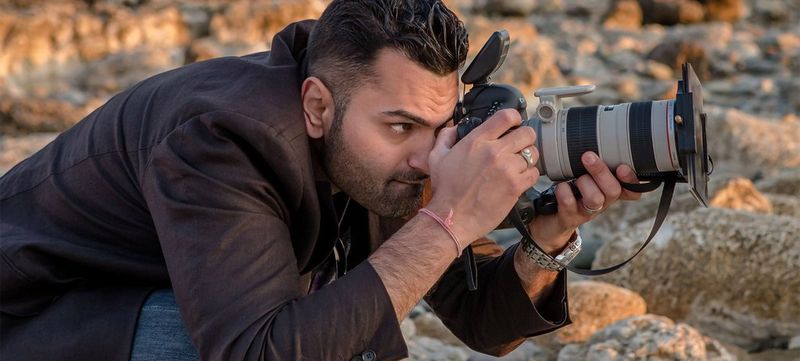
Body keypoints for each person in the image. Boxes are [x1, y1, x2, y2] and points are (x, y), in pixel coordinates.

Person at [0, 1, 641, 360]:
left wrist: (544, 240)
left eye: (439, 126)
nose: (427, 158)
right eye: (400, 127)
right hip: (39, 321)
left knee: (350, 332)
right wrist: (448, 220)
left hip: (146, 296)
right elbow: (257, 354)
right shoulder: (222, 138)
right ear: (316, 106)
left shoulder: (386, 149)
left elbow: (483, 325)